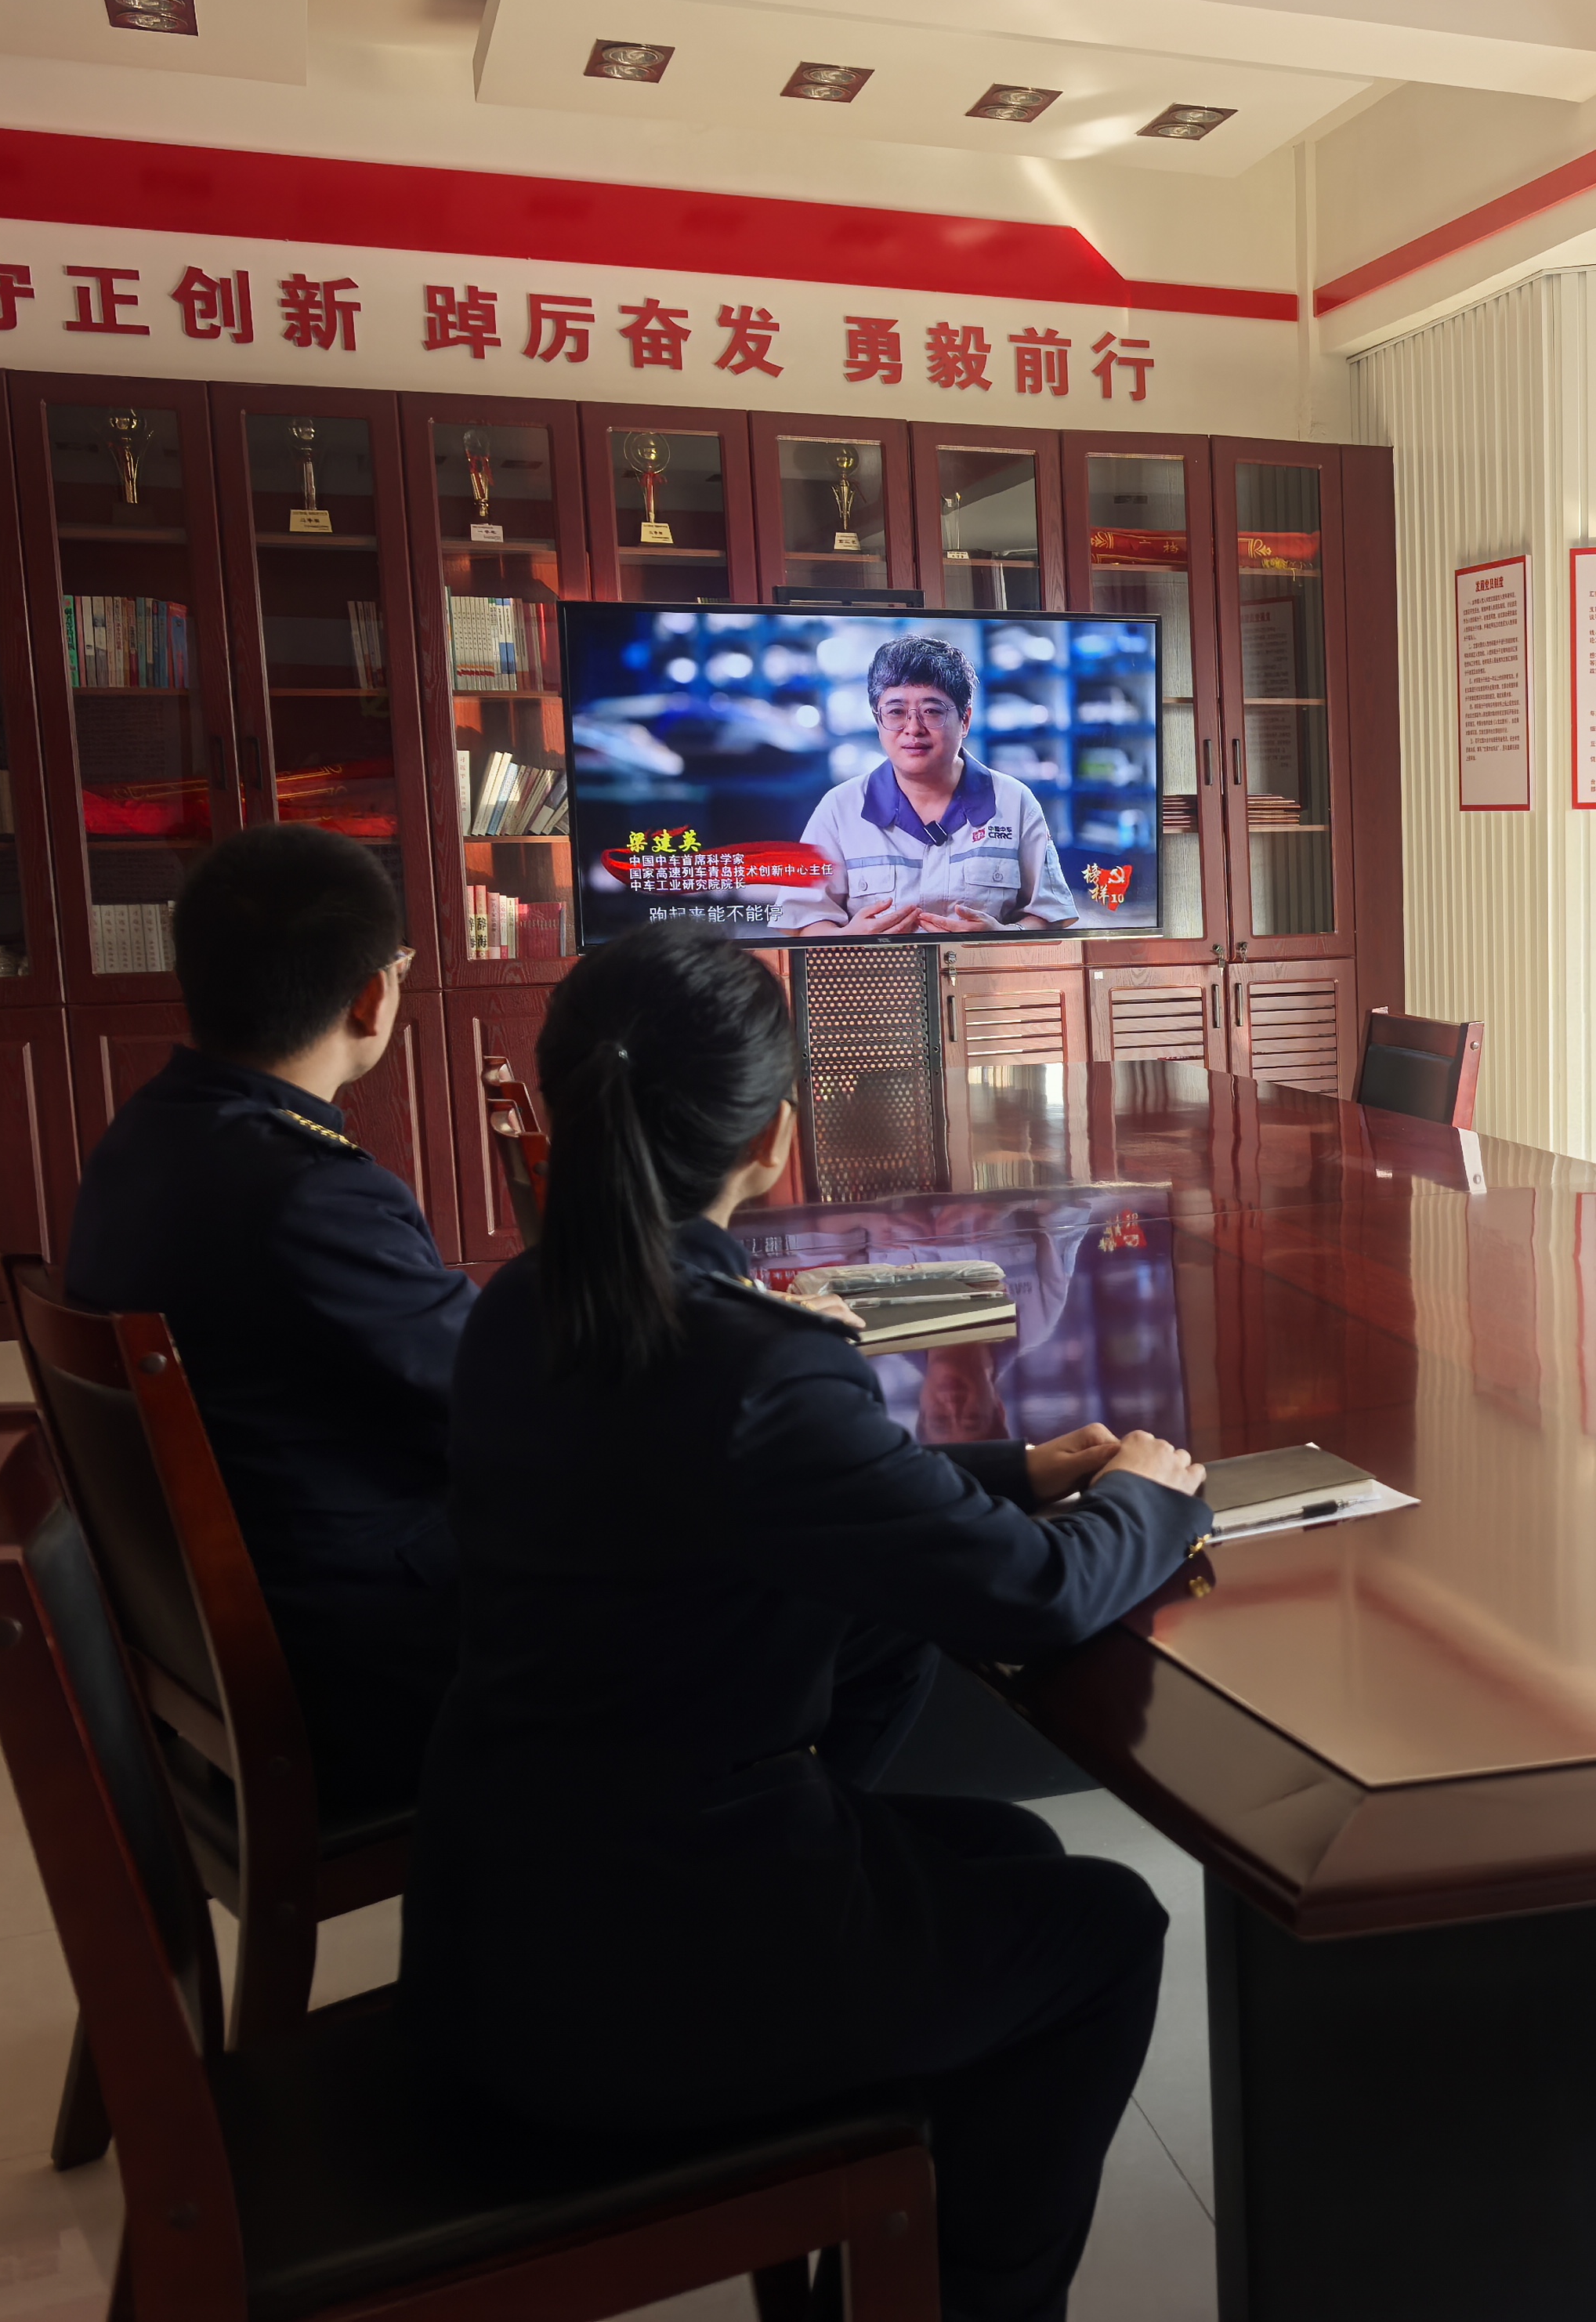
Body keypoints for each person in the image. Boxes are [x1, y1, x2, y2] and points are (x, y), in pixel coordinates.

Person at [400, 922, 1211, 2322]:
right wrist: (1150, 1498)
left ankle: (898, 2218)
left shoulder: (521, 1309)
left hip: (504, 1920)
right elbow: (1031, 1597)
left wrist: (1019, 1470)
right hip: (645, 1976)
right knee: (1105, 1933)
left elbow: (756, 1490)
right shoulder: (753, 1368)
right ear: (775, 1140)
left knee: (1010, 1849)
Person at [65, 824, 469, 1815]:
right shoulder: (310, 1193)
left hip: (243, 1644)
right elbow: (508, 1395)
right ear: (372, 996)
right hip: (371, 1674)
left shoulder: (144, 1135)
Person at [782, 632, 1078, 934]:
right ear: (878, 721)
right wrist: (846, 939)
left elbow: (1051, 915)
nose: (913, 728)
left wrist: (1003, 937)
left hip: (984, 965)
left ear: (965, 721)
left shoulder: (1014, 802)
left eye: (932, 712)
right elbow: (801, 919)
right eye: (896, 712)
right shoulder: (840, 808)